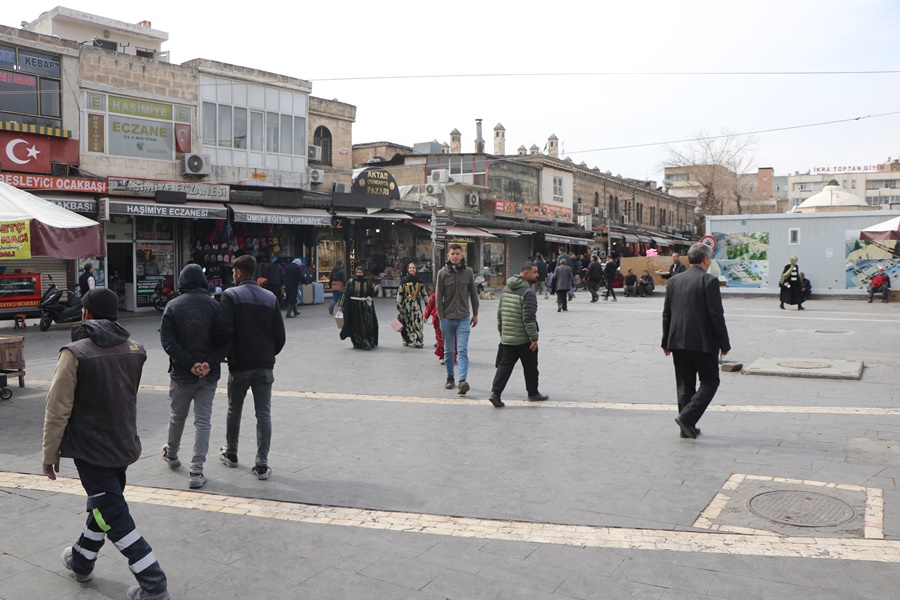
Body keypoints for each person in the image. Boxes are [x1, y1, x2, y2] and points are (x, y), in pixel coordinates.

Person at [42, 288, 170, 600]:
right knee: (104, 505)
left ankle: (154, 585)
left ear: (85, 313)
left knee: (114, 514)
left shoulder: (74, 353)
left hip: (91, 449)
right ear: (115, 316)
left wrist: (50, 452)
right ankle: (81, 560)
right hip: (123, 443)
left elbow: (58, 407)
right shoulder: (136, 349)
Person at [160, 264, 230, 490]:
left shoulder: (172, 306)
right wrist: (208, 364)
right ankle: (196, 471)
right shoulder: (216, 305)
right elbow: (226, 341)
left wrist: (190, 365)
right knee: (203, 422)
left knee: (176, 417)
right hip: (209, 376)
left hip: (181, 374)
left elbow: (168, 342)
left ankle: (171, 455)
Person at [215, 254, 285, 480]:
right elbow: (280, 335)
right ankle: (262, 464)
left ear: (237, 272)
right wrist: (267, 354)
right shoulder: (270, 297)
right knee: (263, 413)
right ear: (253, 272)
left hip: (240, 364)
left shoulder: (230, 295)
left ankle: (232, 453)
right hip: (264, 365)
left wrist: (226, 353)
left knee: (234, 409)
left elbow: (224, 329)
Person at [661, 243, 731, 439]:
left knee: (685, 384)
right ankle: (687, 418)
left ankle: (686, 425)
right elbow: (716, 316)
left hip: (677, 341)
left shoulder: (674, 281)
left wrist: (666, 341)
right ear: (706, 259)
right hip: (702, 342)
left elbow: (667, 313)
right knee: (710, 381)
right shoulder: (708, 281)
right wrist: (724, 344)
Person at [489, 262, 548, 408]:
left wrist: (501, 329)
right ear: (526, 274)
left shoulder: (506, 288)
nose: (537, 275)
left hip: (508, 337)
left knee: (504, 366)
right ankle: (533, 393)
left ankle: (495, 393)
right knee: (531, 367)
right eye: (535, 272)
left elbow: (500, 311)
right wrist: (534, 338)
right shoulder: (528, 293)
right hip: (523, 338)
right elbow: (529, 317)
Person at [436, 244, 479, 394]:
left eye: (457, 253)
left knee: (462, 350)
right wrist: (441, 318)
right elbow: (438, 296)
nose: (455, 256)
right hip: (447, 318)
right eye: (452, 253)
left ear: (462, 256)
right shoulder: (442, 273)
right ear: (448, 255)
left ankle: (462, 381)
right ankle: (450, 377)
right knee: (448, 351)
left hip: (463, 318)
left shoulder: (468, 272)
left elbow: (473, 294)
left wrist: (475, 313)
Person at [338, 266, 380, 350]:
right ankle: (357, 342)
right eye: (357, 273)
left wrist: (375, 290)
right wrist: (341, 305)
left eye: (360, 273)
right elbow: (345, 293)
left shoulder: (367, 282)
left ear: (363, 273)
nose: (358, 274)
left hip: (365, 306)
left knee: (366, 323)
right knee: (355, 324)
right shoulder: (351, 282)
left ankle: (368, 341)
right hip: (353, 306)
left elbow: (371, 293)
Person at [396, 262, 428, 348]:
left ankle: (418, 340)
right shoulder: (404, 280)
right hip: (406, 305)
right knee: (406, 322)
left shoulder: (419, 281)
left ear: (416, 269)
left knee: (418, 321)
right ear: (408, 269)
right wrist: (399, 304)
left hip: (416, 305)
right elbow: (400, 293)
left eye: (413, 268)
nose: (411, 269)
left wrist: (427, 304)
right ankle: (406, 339)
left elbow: (424, 293)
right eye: (410, 268)